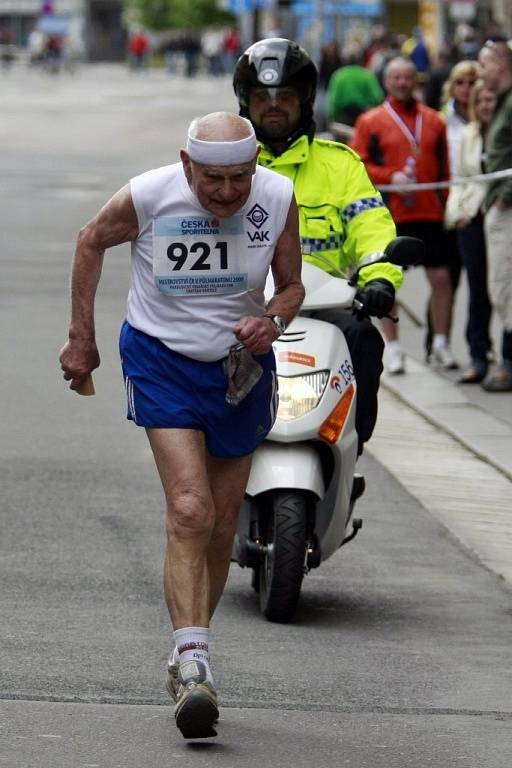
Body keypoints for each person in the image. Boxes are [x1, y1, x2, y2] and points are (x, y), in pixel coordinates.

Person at [59, 112, 305, 738]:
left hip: (238, 369)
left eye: (239, 178)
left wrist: (272, 321)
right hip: (160, 357)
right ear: (186, 163)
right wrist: (81, 340)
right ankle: (195, 664)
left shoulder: (276, 196)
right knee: (191, 510)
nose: (227, 193)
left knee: (223, 524)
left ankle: (188, 645)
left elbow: (291, 285)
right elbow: (90, 240)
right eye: (213, 179)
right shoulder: (149, 193)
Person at [233, 38, 402, 453]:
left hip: (325, 309)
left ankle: (349, 450)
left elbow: (372, 225)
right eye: (262, 97)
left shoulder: (340, 163)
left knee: (365, 338)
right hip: (241, 310)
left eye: (285, 95)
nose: (273, 105)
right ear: (245, 102)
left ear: (305, 100)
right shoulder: (226, 167)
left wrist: (379, 277)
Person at [351, 56, 455, 375]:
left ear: (416, 81)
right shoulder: (370, 121)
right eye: (396, 77)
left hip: (431, 211)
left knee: (441, 278)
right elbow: (358, 166)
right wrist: (389, 177)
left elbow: (445, 168)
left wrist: (449, 202)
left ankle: (440, 343)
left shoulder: (434, 119)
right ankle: (393, 348)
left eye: (408, 77)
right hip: (390, 213)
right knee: (387, 281)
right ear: (386, 82)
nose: (402, 82)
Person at [445, 79, 496, 383]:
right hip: (472, 217)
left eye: (491, 100)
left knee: (503, 289)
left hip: (502, 216)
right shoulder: (468, 135)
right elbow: (460, 178)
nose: (486, 106)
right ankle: (479, 355)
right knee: (477, 290)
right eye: (481, 102)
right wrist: (457, 214)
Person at [477, 39, 512, 391]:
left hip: (507, 209)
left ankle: (508, 362)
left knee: (505, 288)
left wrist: (504, 197)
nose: (479, 71)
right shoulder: (501, 104)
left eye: (484, 64)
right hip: (498, 207)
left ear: (500, 65)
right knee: (500, 289)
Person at [326, 44, 385, 127]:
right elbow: (377, 97)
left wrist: (333, 117)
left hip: (343, 119)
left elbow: (334, 100)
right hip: (364, 116)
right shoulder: (367, 75)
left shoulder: (339, 75)